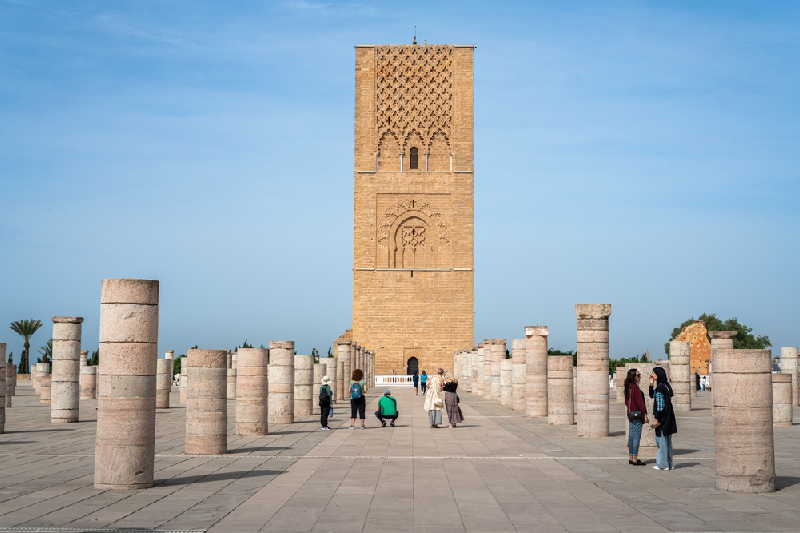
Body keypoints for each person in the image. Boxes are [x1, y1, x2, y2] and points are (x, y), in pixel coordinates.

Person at [649, 367, 677, 470]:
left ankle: (662, 465)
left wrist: (657, 418)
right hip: (669, 417)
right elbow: (652, 395)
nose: (652, 374)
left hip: (663, 418)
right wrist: (651, 384)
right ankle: (670, 464)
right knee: (668, 442)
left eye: (653, 373)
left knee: (661, 442)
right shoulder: (666, 385)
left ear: (658, 374)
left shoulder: (660, 387)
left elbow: (660, 405)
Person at [623, 368, 648, 466]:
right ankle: (635, 459)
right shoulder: (635, 388)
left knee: (631, 436)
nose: (640, 376)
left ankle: (631, 457)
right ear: (634, 376)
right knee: (636, 436)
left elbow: (626, 402)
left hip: (631, 414)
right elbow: (640, 402)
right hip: (637, 414)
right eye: (638, 375)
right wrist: (644, 413)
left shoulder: (628, 387)